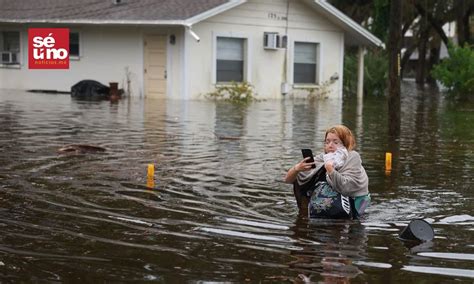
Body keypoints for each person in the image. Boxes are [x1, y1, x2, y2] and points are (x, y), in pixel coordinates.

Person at [284, 125, 370, 217]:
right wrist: (297, 169)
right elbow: (288, 180)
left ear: (345, 144)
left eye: (335, 142)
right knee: (302, 179)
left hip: (353, 206)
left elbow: (347, 187)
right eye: (327, 142)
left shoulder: (352, 157)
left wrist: (330, 169)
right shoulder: (322, 158)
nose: (330, 145)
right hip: (326, 207)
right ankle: (305, 212)